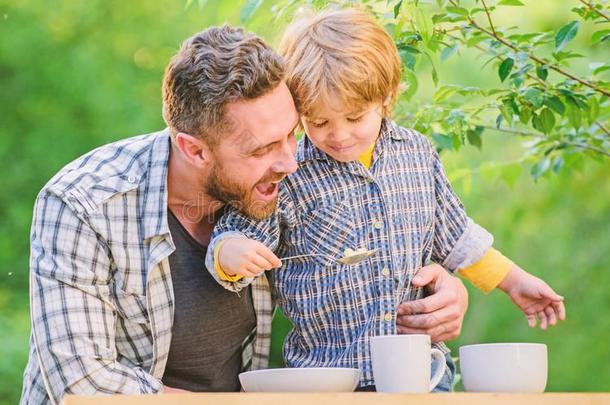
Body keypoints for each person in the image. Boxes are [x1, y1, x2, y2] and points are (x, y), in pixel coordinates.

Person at [20, 24, 470, 405]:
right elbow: (82, 383)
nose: (290, 162)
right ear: (193, 149)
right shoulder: (85, 203)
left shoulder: (284, 186)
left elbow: (366, 256)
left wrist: (442, 292)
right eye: (262, 149)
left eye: (292, 135)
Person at [207, 8, 566, 391]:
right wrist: (229, 251)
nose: (340, 136)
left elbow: (457, 236)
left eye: (355, 117)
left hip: (421, 372)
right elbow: (241, 229)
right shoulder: (292, 171)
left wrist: (514, 281)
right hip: (327, 377)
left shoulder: (417, 154)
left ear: (387, 98)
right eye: (320, 122)